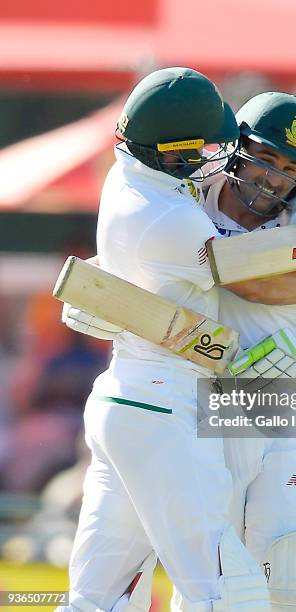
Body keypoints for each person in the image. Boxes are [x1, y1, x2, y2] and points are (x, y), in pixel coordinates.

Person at [62, 90, 296, 611]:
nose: (274, 177)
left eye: (290, 167)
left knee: (293, 578)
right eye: (263, 156)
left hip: (281, 410)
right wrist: (105, 295)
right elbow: (228, 276)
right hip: (202, 406)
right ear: (234, 148)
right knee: (218, 581)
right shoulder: (189, 196)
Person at [57, 66, 275, 612]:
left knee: (97, 601)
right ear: (171, 149)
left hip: (129, 399)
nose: (214, 155)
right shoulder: (171, 219)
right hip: (164, 405)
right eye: (201, 145)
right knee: (227, 591)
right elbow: (255, 284)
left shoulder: (128, 178)